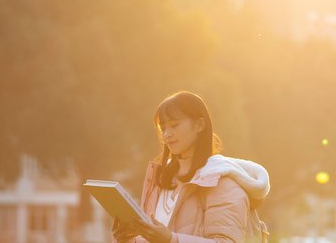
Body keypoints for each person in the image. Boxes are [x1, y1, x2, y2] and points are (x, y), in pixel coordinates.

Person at [112, 91, 270, 243]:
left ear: (200, 125)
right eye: (163, 128)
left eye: (174, 125)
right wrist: (125, 240)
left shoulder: (223, 183)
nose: (166, 134)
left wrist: (170, 240)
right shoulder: (161, 181)